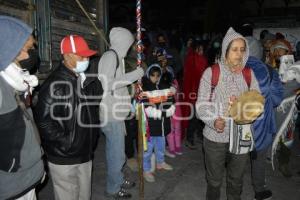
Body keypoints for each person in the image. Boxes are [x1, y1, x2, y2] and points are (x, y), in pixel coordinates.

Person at [196, 27, 260, 200]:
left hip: (242, 136)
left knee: (236, 180)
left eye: (242, 50)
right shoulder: (212, 73)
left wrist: (242, 108)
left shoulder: (248, 74)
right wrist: (213, 120)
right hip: (215, 138)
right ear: (225, 50)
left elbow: (257, 104)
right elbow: (200, 105)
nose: (239, 54)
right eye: (234, 49)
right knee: (214, 181)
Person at [34, 35, 101, 200]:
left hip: (85, 152)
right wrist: (67, 142)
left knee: (84, 195)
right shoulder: (54, 85)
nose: (87, 59)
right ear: (68, 55)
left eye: (87, 55)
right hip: (65, 156)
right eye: (82, 55)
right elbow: (43, 121)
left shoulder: (81, 78)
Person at [0, 15, 44, 200]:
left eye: (31, 48)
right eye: (24, 50)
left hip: (27, 181)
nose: (30, 55)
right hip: (11, 187)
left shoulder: (19, 82)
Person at [98, 27, 144, 198]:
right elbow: (107, 84)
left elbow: (120, 89)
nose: (131, 47)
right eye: (129, 43)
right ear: (123, 41)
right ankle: (113, 188)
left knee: (119, 152)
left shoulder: (118, 58)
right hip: (111, 115)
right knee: (115, 154)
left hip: (118, 113)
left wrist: (128, 108)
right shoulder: (110, 57)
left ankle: (118, 178)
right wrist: (134, 75)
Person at [245, 38, 284, 200]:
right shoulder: (269, 71)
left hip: (237, 123)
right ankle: (259, 189)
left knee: (235, 157)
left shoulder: (232, 69)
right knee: (259, 158)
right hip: (261, 125)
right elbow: (276, 99)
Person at [141, 64, 175, 182]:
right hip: (150, 126)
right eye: (153, 75)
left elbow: (172, 103)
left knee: (161, 145)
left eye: (157, 75)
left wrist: (169, 111)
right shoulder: (145, 90)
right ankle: (146, 169)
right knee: (148, 149)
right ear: (148, 75)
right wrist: (161, 113)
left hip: (162, 124)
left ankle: (160, 162)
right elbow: (147, 109)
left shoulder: (165, 88)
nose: (155, 78)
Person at [182, 39, 208, 149]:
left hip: (197, 92)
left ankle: (197, 135)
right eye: (200, 49)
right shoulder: (194, 59)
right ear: (196, 49)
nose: (201, 52)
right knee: (194, 116)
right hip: (194, 92)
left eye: (202, 50)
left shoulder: (193, 57)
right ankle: (189, 138)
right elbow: (200, 73)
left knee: (199, 116)